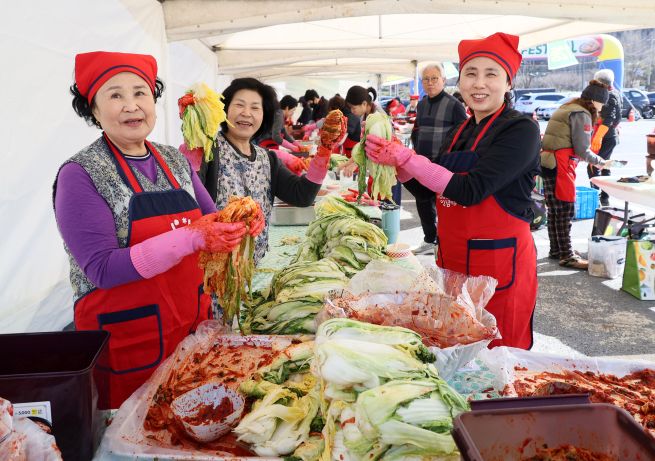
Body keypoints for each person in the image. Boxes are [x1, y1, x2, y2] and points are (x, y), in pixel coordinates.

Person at [53, 52, 256, 408]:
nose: (131, 105)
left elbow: (215, 222)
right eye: (115, 95)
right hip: (128, 341)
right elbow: (101, 269)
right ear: (93, 110)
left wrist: (243, 222)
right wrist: (191, 237)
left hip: (191, 330)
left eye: (140, 93)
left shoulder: (175, 160)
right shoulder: (80, 174)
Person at [364, 32, 541, 350]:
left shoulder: (521, 130)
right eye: (471, 74)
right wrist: (396, 166)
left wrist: (408, 157)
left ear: (508, 83)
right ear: (460, 82)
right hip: (454, 265)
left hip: (500, 269)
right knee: (457, 352)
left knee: (497, 360)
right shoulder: (459, 131)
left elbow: (472, 189)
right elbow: (427, 190)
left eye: (491, 74)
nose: (479, 83)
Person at [200, 78, 340, 263]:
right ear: (224, 110)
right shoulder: (207, 152)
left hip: (252, 269)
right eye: (239, 105)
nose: (246, 113)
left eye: (255, 108)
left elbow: (303, 195)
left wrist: (325, 150)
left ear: (264, 116)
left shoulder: (268, 159)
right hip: (212, 271)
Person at [541, 80, 613, 270]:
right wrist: (601, 162)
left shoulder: (568, 107)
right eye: (602, 103)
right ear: (596, 100)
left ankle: (557, 250)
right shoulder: (581, 114)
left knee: (555, 210)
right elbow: (583, 149)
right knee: (565, 209)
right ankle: (567, 255)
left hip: (548, 162)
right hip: (560, 164)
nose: (603, 106)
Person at [409, 63, 468, 255]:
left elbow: (464, 134)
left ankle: (446, 243)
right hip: (423, 163)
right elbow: (417, 129)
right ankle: (429, 239)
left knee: (444, 205)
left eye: (435, 78)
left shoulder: (454, 105)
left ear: (443, 80)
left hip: (444, 165)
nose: (430, 82)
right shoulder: (423, 104)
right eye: (426, 79)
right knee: (423, 201)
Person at [587, 69, 622, 206]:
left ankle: (596, 197)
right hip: (609, 135)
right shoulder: (615, 93)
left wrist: (598, 138)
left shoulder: (609, 95)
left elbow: (609, 119)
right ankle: (604, 197)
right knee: (605, 165)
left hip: (604, 136)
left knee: (593, 165)